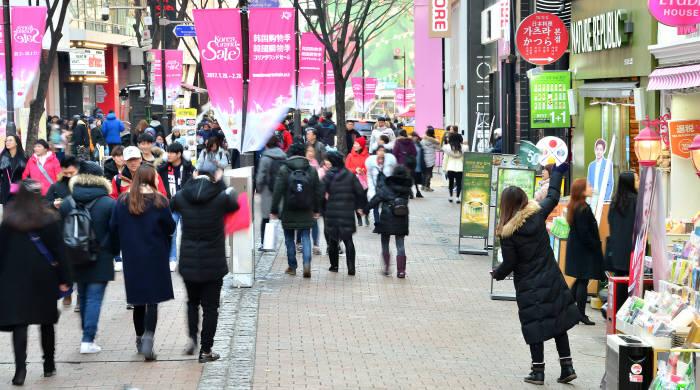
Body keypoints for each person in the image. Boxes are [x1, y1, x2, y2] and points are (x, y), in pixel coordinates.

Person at [492, 163, 578, 385]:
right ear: (523, 199)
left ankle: (538, 372)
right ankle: (567, 367)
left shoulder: (508, 233)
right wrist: (558, 172)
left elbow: (510, 262)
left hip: (529, 284)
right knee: (558, 321)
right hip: (550, 277)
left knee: (535, 325)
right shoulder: (538, 215)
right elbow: (554, 195)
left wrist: (498, 274)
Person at [0, 179, 71, 385]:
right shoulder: (49, 219)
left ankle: (20, 371)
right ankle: (48, 365)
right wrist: (65, 279)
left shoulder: (8, 220)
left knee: (20, 323)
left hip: (13, 279)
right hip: (44, 278)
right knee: (46, 322)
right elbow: (59, 251)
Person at [172, 160, 239, 363]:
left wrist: (189, 183)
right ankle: (206, 350)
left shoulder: (183, 195)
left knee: (192, 302)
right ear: (214, 176)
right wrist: (220, 183)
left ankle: (192, 338)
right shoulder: (220, 197)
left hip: (190, 260)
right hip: (213, 261)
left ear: (196, 173)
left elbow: (172, 204)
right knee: (211, 308)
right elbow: (234, 204)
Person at [109, 165, 176, 361]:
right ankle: (148, 337)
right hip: (156, 256)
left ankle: (139, 340)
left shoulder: (123, 200)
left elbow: (113, 226)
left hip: (132, 257)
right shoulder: (159, 201)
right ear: (150, 178)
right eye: (156, 177)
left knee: (138, 301)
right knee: (152, 301)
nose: (158, 180)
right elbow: (170, 227)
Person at [59, 161, 118, 354]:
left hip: (75, 255)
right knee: (94, 298)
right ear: (101, 179)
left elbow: (61, 231)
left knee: (83, 296)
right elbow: (116, 232)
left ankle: (86, 335)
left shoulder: (68, 202)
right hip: (100, 256)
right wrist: (110, 250)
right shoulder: (109, 202)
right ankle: (88, 339)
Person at [270, 142, 322, 278]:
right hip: (307, 208)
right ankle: (306, 264)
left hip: (288, 208)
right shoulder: (311, 169)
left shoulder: (284, 169)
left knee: (289, 238)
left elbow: (277, 191)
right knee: (305, 236)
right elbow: (318, 191)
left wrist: (274, 209)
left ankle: (292, 266)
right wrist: (316, 209)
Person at [565, 178, 604, 326]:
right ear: (581, 191)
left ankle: (565, 307)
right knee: (583, 280)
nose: (591, 187)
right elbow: (584, 233)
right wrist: (595, 245)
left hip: (578, 249)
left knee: (580, 280)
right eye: (588, 186)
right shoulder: (583, 208)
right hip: (583, 250)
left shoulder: (576, 206)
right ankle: (580, 313)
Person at [322, 151, 366, 275]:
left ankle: (334, 266)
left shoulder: (329, 174)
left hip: (332, 211)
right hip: (347, 211)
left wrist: (321, 208)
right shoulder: (349, 174)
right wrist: (359, 206)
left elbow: (320, 192)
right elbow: (360, 191)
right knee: (348, 240)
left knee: (333, 240)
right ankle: (351, 267)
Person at [367, 165, 412, 278]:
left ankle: (387, 268)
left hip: (387, 218)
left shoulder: (387, 186)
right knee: (400, 245)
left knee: (385, 243)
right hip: (401, 218)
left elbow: (376, 199)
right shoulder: (407, 188)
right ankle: (401, 271)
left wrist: (364, 209)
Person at [158, 142, 195, 271]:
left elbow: (193, 185)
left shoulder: (189, 168)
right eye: (167, 152)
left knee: (187, 233)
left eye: (171, 152)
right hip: (170, 205)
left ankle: (187, 259)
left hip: (186, 206)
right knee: (171, 233)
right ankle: (172, 259)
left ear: (179, 154)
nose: (168, 155)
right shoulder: (162, 169)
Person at [605, 171, 639, 276]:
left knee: (618, 278)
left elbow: (610, 220)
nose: (639, 182)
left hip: (617, 247)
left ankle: (618, 293)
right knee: (632, 278)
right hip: (632, 247)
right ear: (630, 183)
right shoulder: (636, 200)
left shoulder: (615, 201)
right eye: (637, 179)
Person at [255, 135, 287, 245]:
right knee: (283, 217)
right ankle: (288, 241)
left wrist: (259, 189)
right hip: (281, 191)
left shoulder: (264, 158)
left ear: (267, 145)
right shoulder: (284, 156)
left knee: (265, 218)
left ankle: (265, 243)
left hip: (267, 191)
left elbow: (260, 177)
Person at [365, 145, 397, 225]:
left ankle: (384, 222)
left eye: (383, 151)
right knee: (375, 206)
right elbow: (369, 176)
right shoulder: (371, 163)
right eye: (380, 150)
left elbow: (392, 174)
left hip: (386, 188)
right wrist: (371, 188)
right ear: (376, 152)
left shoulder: (389, 162)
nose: (381, 152)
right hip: (376, 188)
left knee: (385, 207)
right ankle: (377, 222)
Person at [345, 137, 370, 226]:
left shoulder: (367, 156)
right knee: (355, 199)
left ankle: (366, 216)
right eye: (354, 144)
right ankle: (359, 218)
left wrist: (363, 170)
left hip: (364, 181)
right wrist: (356, 170)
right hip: (353, 180)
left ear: (362, 145)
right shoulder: (350, 155)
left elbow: (369, 168)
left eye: (357, 144)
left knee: (365, 199)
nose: (354, 145)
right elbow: (347, 168)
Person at [0, 135, 27, 206]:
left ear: (16, 143)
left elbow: (28, 175)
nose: (7, 142)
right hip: (6, 192)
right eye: (6, 140)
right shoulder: (2, 158)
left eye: (10, 140)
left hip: (20, 192)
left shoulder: (24, 158)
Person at [442, 133, 467, 203]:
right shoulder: (463, 148)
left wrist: (444, 168)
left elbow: (445, 159)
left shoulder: (448, 148)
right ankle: (458, 197)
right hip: (460, 168)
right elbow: (465, 159)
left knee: (451, 183)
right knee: (459, 183)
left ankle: (450, 196)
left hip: (450, 167)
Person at [420, 127, 440, 192]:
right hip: (431, 159)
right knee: (429, 173)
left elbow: (421, 147)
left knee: (424, 173)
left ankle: (423, 186)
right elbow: (439, 148)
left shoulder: (423, 140)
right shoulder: (433, 141)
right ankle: (427, 186)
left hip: (424, 158)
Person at [411, 133, 424, 198]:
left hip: (418, 165)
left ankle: (417, 192)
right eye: (413, 137)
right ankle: (413, 192)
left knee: (416, 179)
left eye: (415, 137)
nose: (414, 138)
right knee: (411, 179)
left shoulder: (419, 145)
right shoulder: (410, 144)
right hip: (412, 164)